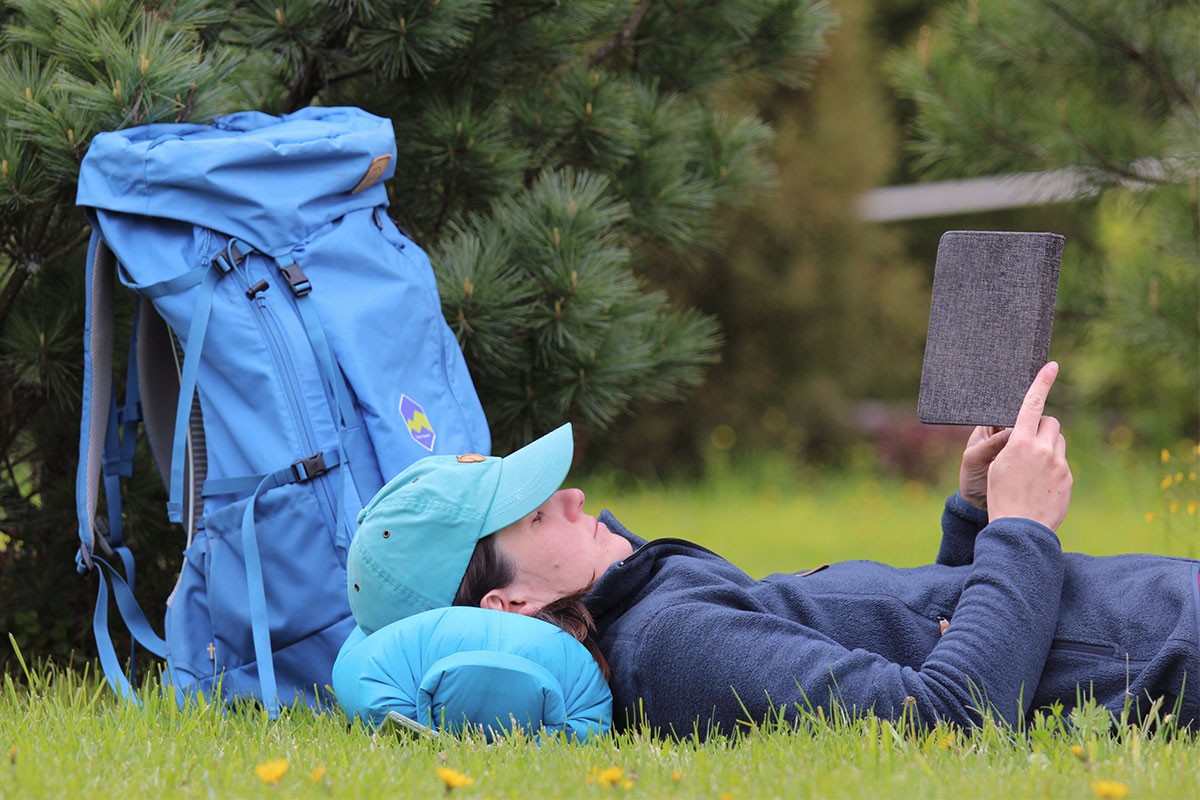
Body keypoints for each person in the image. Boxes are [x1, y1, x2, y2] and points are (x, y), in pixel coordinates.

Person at [346, 363, 1200, 738]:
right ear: (510, 604)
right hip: (1171, 649)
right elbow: (948, 722)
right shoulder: (672, 645)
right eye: (536, 517)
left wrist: (976, 517)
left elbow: (904, 627)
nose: (574, 495)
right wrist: (1024, 531)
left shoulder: (650, 606)